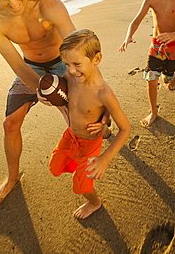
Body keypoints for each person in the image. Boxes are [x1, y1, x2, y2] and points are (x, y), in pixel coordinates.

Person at [0, 0, 107, 209]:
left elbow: (79, 52)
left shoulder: (49, 4)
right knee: (9, 124)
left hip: (64, 62)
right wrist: (42, 88)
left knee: (80, 121)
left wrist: (96, 98)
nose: (14, 3)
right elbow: (17, 65)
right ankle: (12, 178)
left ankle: (101, 132)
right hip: (30, 68)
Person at [49, 29, 131, 219]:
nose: (70, 70)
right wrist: (44, 95)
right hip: (70, 136)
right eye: (67, 64)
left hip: (90, 144)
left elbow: (126, 129)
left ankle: (94, 202)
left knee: (82, 184)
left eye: (76, 64)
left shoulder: (103, 93)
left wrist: (105, 159)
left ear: (97, 59)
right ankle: (78, 167)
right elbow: (55, 92)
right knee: (54, 166)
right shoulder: (70, 77)